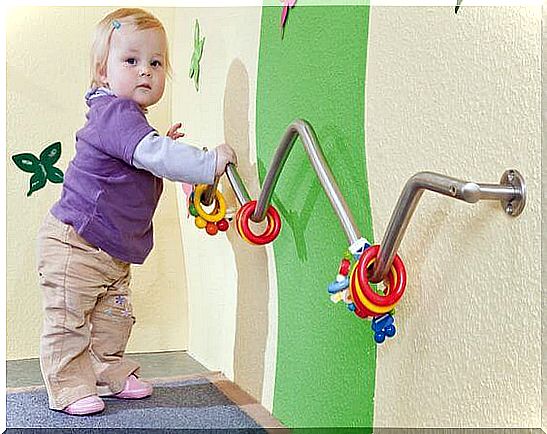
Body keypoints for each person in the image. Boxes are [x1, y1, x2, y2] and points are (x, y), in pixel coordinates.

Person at [36, 8, 236, 416]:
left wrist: (158, 142)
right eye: (131, 60)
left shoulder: (128, 119)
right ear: (102, 72)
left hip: (109, 251)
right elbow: (153, 156)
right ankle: (68, 387)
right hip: (75, 243)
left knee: (113, 318)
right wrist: (206, 162)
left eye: (156, 62)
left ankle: (107, 372)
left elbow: (143, 155)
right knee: (68, 320)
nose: (146, 70)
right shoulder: (115, 113)